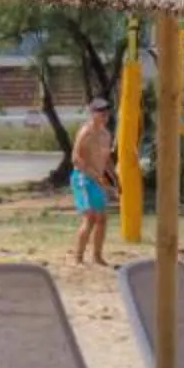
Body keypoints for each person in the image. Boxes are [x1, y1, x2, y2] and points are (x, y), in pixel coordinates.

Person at [68, 96, 115, 267]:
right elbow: (76, 158)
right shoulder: (86, 132)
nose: (104, 114)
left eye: (106, 111)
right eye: (100, 111)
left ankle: (97, 256)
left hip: (98, 179)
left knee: (102, 218)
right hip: (83, 178)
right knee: (90, 218)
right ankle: (78, 258)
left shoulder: (106, 134)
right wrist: (93, 174)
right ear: (92, 113)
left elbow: (107, 159)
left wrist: (114, 178)